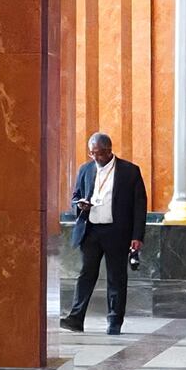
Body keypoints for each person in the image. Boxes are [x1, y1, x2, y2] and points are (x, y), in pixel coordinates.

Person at [62, 130, 150, 334]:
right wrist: (79, 205)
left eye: (99, 153)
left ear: (109, 151)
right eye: (92, 153)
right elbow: (75, 196)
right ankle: (76, 318)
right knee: (86, 275)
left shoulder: (129, 171)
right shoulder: (85, 169)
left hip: (116, 232)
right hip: (90, 230)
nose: (96, 157)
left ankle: (114, 321)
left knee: (116, 277)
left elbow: (139, 206)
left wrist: (137, 237)